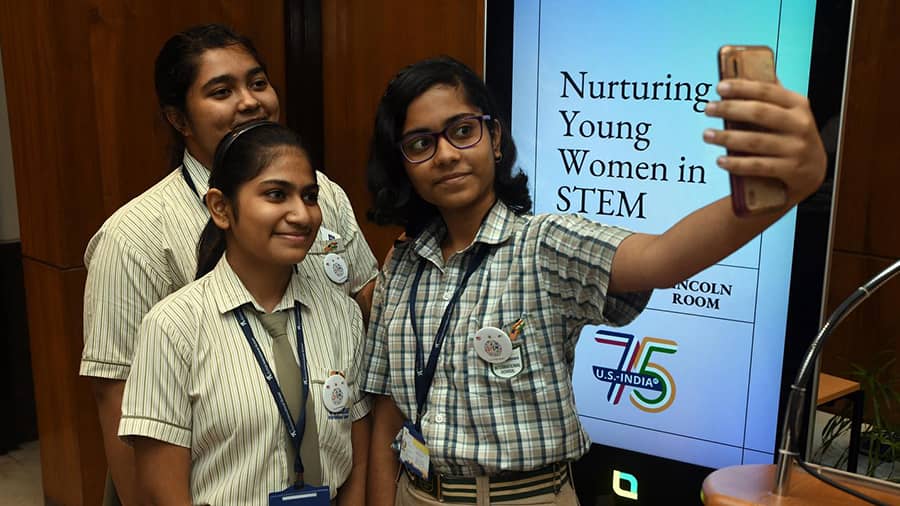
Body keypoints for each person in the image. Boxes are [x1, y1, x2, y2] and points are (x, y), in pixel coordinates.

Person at [362, 56, 826, 505]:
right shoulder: (402, 266)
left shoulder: (542, 244)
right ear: (403, 161)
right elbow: (389, 416)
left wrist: (777, 189)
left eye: (463, 131)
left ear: (495, 138)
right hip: (416, 494)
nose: (445, 155)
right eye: (421, 143)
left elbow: (663, 258)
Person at [79, 24, 377, 505]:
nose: (250, 102)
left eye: (258, 83)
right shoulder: (134, 236)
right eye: (222, 91)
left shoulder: (324, 195)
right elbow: (117, 405)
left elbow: (366, 302)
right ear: (179, 119)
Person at [118, 121, 369, 505]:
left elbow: (358, 455)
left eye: (310, 196)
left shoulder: (343, 316)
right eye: (275, 194)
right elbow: (161, 490)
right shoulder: (173, 327)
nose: (301, 214)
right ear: (221, 207)